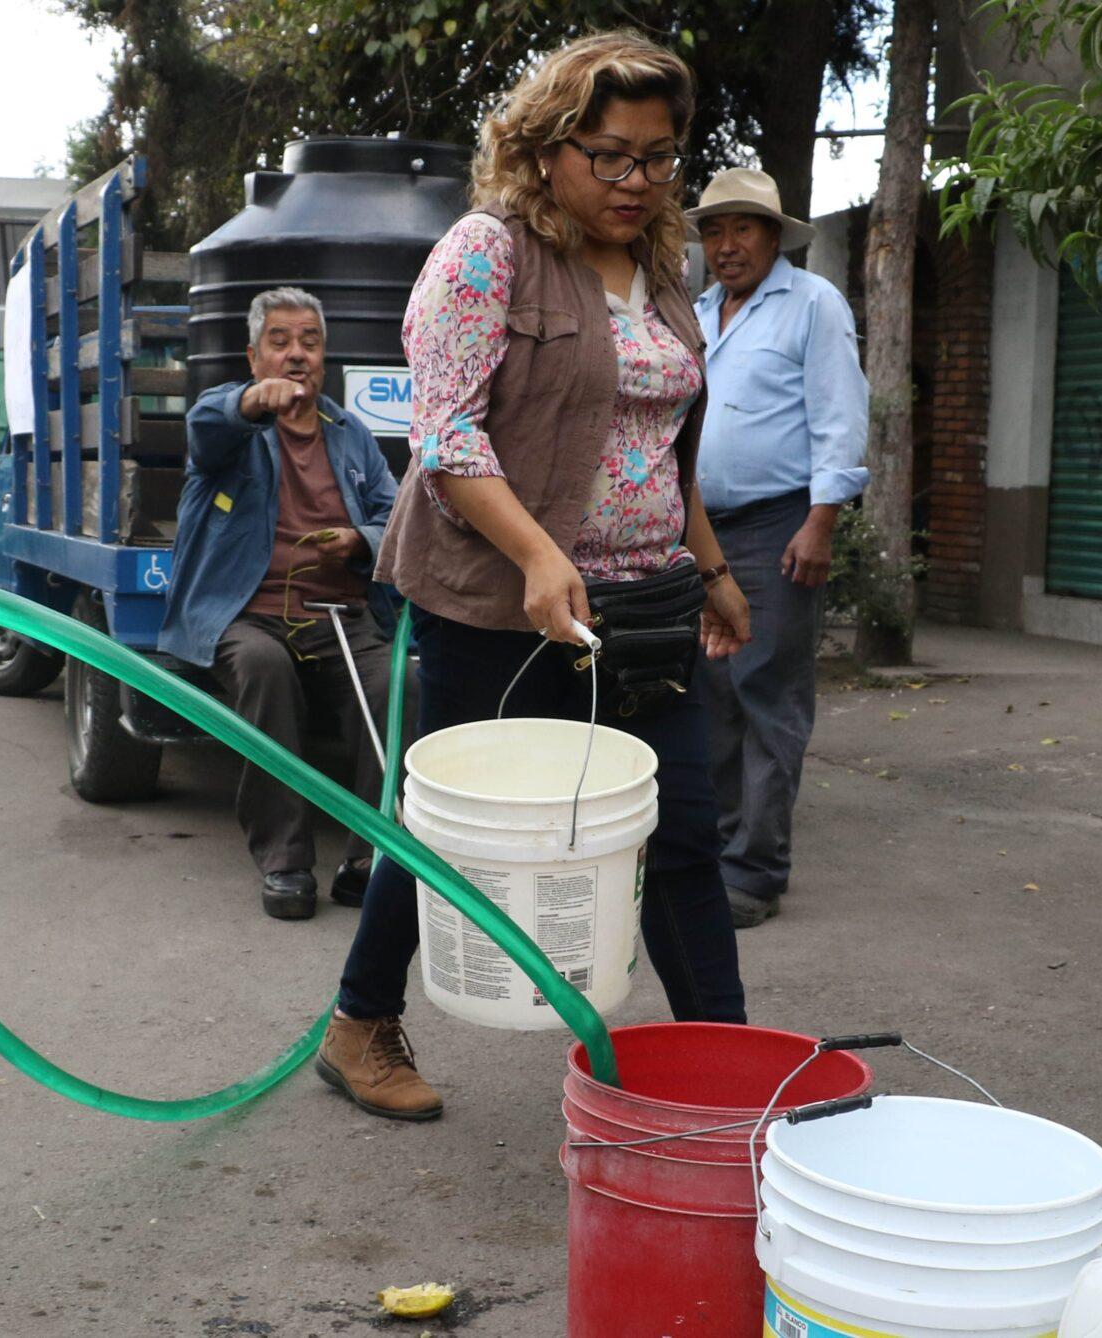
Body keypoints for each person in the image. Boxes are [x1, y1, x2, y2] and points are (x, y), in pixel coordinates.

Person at [318, 31, 753, 1122]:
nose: (638, 181)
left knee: (683, 833)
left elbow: (655, 440)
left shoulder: (663, 265)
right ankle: (359, 1024)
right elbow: (448, 438)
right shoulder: (485, 251)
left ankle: (728, 1074)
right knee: (459, 837)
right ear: (544, 145)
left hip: (642, 605)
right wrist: (536, 555)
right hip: (498, 606)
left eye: (658, 157)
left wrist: (709, 566)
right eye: (611, 155)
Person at [164, 288, 400, 921]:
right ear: (253, 354)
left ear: (325, 357)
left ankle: (365, 858)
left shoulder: (352, 435)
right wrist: (250, 402)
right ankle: (286, 861)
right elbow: (206, 428)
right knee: (264, 668)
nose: (297, 354)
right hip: (246, 617)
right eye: (280, 341)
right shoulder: (232, 426)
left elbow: (394, 515)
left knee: (397, 684)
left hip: (342, 616)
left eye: (310, 342)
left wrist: (359, 541)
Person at [685, 167, 870, 929]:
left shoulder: (813, 304)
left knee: (767, 692)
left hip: (777, 525)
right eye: (714, 230)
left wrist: (822, 519)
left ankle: (755, 872)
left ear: (773, 235)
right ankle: (720, 852)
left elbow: (840, 416)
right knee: (710, 692)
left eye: (743, 229)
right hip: (698, 532)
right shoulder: (696, 312)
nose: (727, 246)